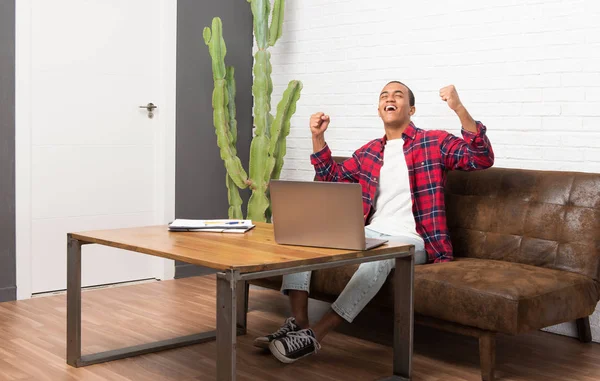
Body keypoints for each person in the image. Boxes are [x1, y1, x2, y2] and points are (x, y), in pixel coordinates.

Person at [254, 81, 495, 364]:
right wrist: (317, 138)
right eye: (384, 95)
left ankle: (315, 335)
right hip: (371, 233)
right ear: (379, 109)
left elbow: (481, 157)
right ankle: (298, 323)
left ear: (412, 108)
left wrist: (458, 108)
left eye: (398, 95)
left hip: (414, 241)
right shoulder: (369, 152)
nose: (389, 98)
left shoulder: (435, 142)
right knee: (304, 241)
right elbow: (332, 180)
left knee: (379, 259)